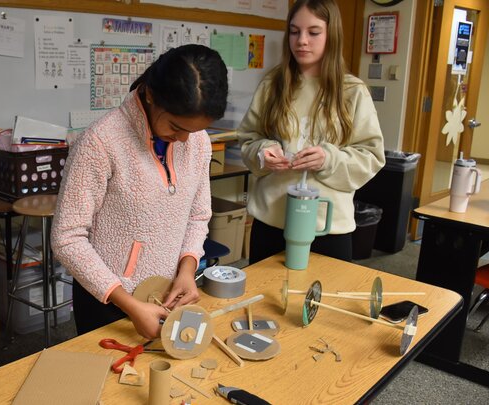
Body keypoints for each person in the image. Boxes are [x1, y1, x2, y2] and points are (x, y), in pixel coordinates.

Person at [52, 44, 228, 339]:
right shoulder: (100, 142)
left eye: (194, 130)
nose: (185, 140)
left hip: (166, 294)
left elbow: (198, 217)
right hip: (107, 300)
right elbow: (66, 238)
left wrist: (187, 269)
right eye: (176, 126)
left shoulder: (198, 143)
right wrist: (130, 305)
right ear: (150, 95)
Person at [237, 0, 384, 265]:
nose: (302, 41)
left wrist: (329, 159)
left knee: (322, 302)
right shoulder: (273, 85)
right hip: (272, 223)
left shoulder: (353, 92)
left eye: (313, 32)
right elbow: (248, 138)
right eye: (294, 32)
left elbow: (372, 156)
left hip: (327, 226)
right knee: (265, 302)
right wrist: (263, 153)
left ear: (332, 35)